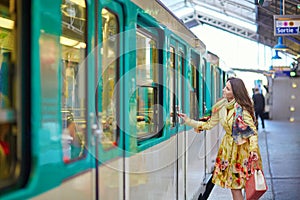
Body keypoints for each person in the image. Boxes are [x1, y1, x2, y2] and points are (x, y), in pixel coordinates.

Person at [178, 77, 262, 200]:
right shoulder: (221, 106)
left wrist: (253, 150)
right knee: (235, 187)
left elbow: (252, 133)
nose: (223, 90)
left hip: (242, 152)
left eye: (227, 89)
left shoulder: (242, 110)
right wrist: (188, 121)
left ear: (235, 93)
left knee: (240, 186)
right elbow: (209, 124)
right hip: (228, 150)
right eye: (225, 87)